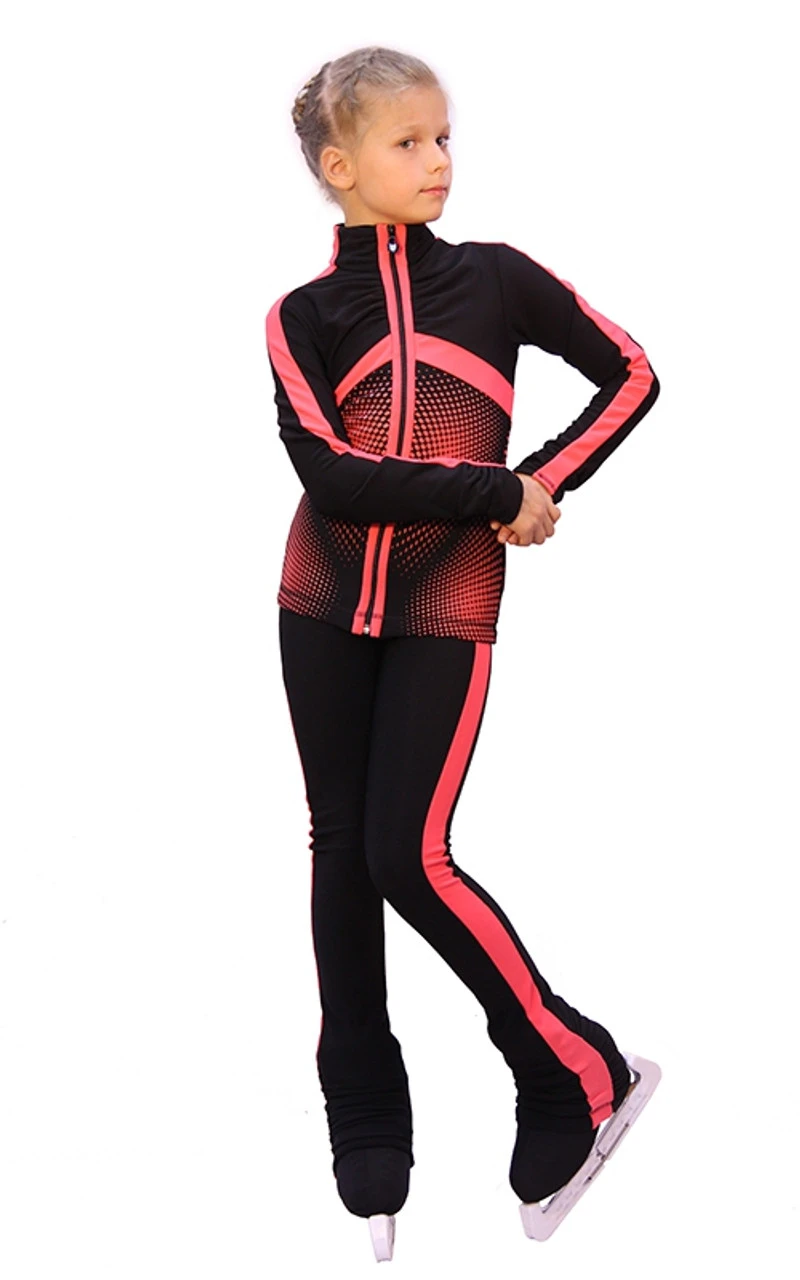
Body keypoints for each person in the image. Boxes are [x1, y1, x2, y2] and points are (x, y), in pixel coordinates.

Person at [265, 45, 661, 1248]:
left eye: (444, 137)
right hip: (319, 598)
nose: (438, 160)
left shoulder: (494, 279)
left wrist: (542, 479)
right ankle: (362, 1106)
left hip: (445, 600)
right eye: (407, 142)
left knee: (407, 852)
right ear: (339, 166)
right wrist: (496, 488)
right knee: (340, 847)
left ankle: (570, 1065)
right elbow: (332, 477)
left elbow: (630, 373)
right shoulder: (298, 317)